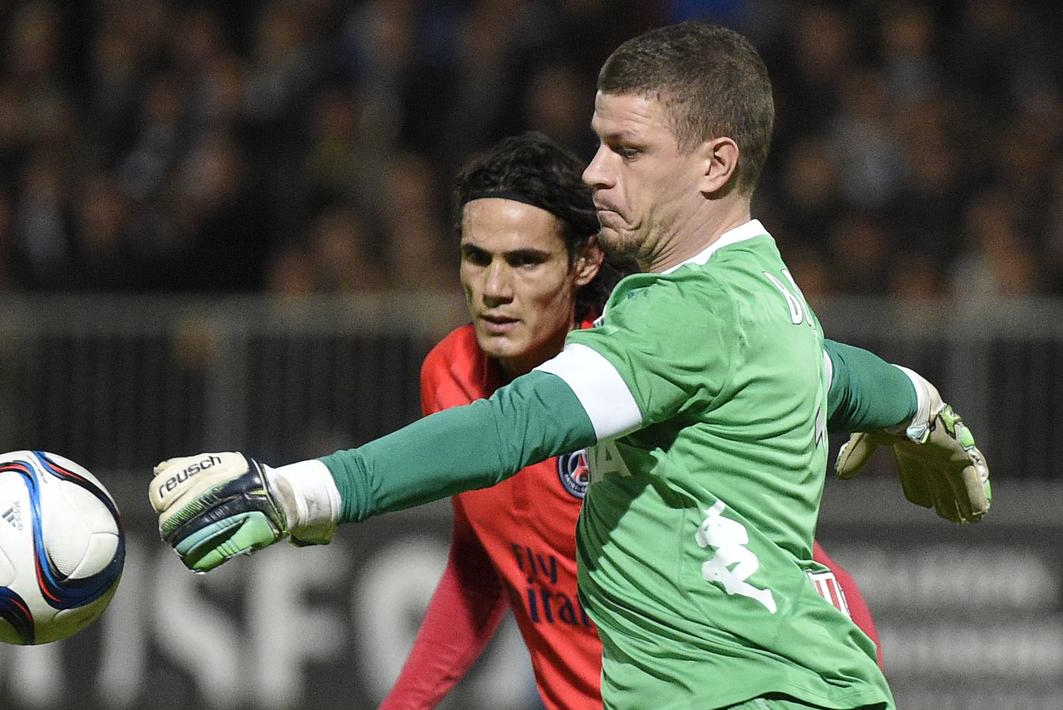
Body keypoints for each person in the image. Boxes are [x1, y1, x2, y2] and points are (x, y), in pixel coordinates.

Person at [151, 23, 990, 709]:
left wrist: (296, 492)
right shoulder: (761, 290)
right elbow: (841, 374)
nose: (594, 174)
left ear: (714, 164)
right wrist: (917, 409)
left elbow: (521, 423)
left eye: (627, 150)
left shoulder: (683, 314)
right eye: (597, 143)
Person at [381, 131, 898, 709]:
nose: (495, 289)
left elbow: (799, 570)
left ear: (584, 262)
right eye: (477, 258)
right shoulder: (448, 375)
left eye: (525, 261)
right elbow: (483, 560)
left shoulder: (645, 379)